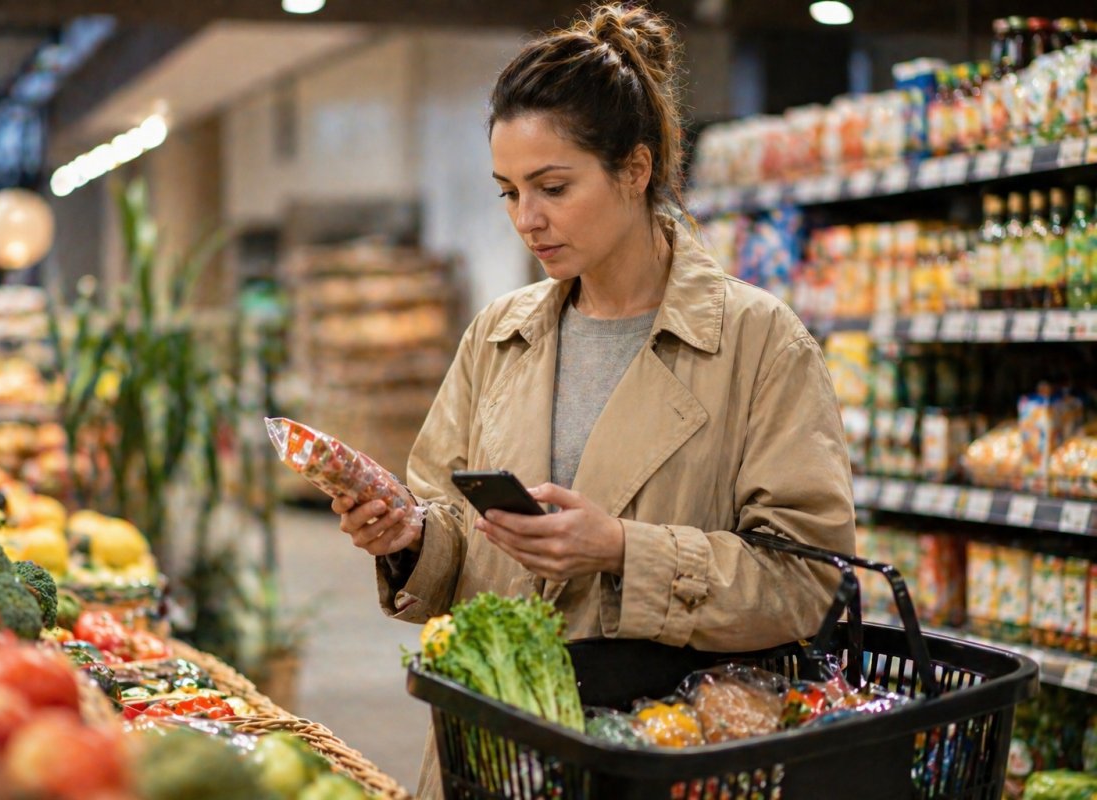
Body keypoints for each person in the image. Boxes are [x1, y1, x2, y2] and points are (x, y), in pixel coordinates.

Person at [333, 4, 854, 796]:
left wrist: (620, 550)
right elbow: (453, 540)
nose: (526, 220)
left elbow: (803, 583)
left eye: (552, 187)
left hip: (657, 755)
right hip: (496, 752)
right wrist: (407, 535)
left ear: (636, 170)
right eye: (508, 192)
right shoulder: (498, 337)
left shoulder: (759, 344)